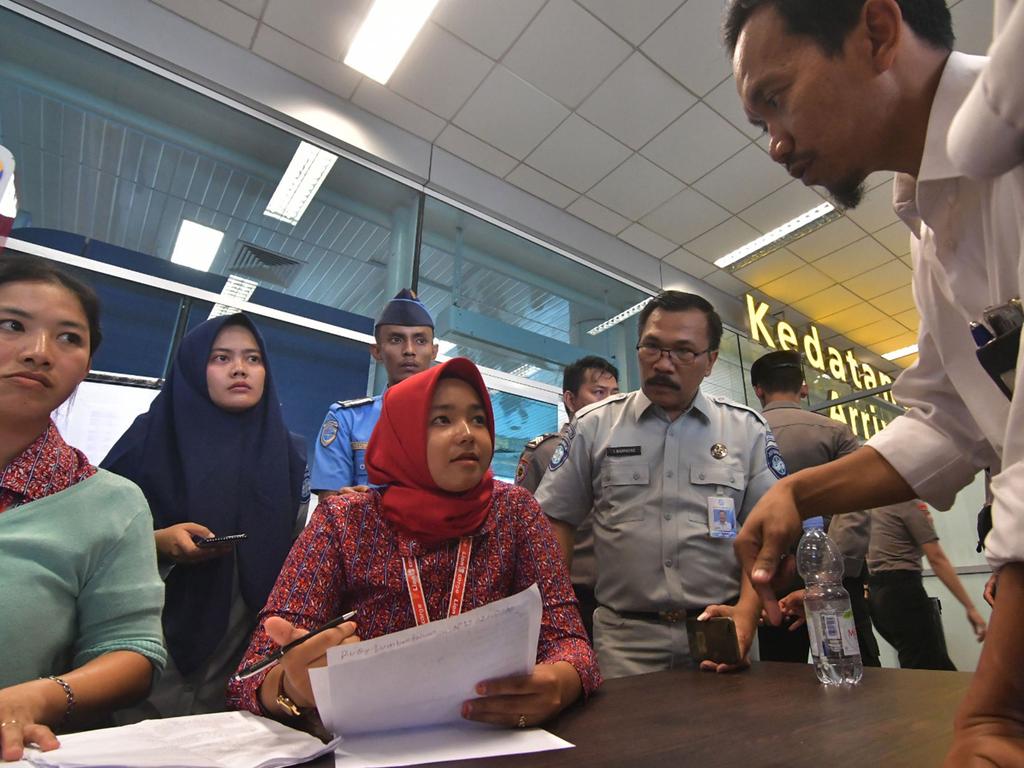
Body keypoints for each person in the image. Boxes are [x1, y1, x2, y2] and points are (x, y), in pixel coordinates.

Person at [723, 1, 1024, 762]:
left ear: (879, 32)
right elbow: (947, 421)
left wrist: (997, 710)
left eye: (775, 98)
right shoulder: (930, 225)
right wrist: (798, 493)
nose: (774, 143)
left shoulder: (1013, 148)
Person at [227, 357, 600, 729]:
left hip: (490, 735)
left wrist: (560, 683)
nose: (468, 433)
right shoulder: (345, 521)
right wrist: (290, 688)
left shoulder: (515, 511)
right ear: (401, 435)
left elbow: (569, 638)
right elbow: (251, 676)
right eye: (442, 419)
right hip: (371, 742)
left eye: (479, 419)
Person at [537, 290, 784, 679]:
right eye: (652, 347)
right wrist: (554, 622)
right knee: (627, 740)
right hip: (624, 638)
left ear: (710, 362)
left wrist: (746, 613)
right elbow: (555, 523)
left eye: (683, 352)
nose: (663, 364)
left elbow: (770, 532)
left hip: (721, 629)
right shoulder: (594, 426)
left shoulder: (746, 430)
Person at [0, 254, 165, 761]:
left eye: (69, 337)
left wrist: (36, 697)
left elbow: (132, 651)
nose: (38, 352)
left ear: (87, 365)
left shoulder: (112, 504)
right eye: (12, 325)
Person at [102, 313, 308, 718]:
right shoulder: (150, 436)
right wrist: (157, 542)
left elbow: (294, 541)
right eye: (220, 358)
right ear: (194, 367)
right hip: (150, 627)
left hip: (246, 639)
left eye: (252, 358)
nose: (239, 369)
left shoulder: (286, 450)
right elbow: (92, 531)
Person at [749, 350, 880, 666]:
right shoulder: (836, 431)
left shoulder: (745, 433)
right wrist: (829, 577)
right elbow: (857, 506)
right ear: (804, 388)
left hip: (767, 579)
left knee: (778, 678)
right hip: (833, 576)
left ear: (758, 390)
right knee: (852, 670)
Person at [515, 355, 619, 638]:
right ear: (571, 400)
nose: (609, 402)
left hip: (621, 597)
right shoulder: (546, 454)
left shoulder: (628, 453)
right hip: (573, 596)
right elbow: (525, 531)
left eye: (615, 394)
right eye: (598, 392)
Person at [310, 289, 436, 497]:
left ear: (434, 351)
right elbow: (330, 508)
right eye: (396, 340)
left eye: (420, 340)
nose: (409, 350)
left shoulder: (455, 423)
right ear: (377, 351)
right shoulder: (346, 419)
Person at [868, 500, 987, 670]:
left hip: (878, 594)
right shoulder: (906, 503)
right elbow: (936, 557)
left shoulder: (874, 506)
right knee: (930, 668)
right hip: (903, 591)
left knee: (928, 663)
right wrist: (970, 607)